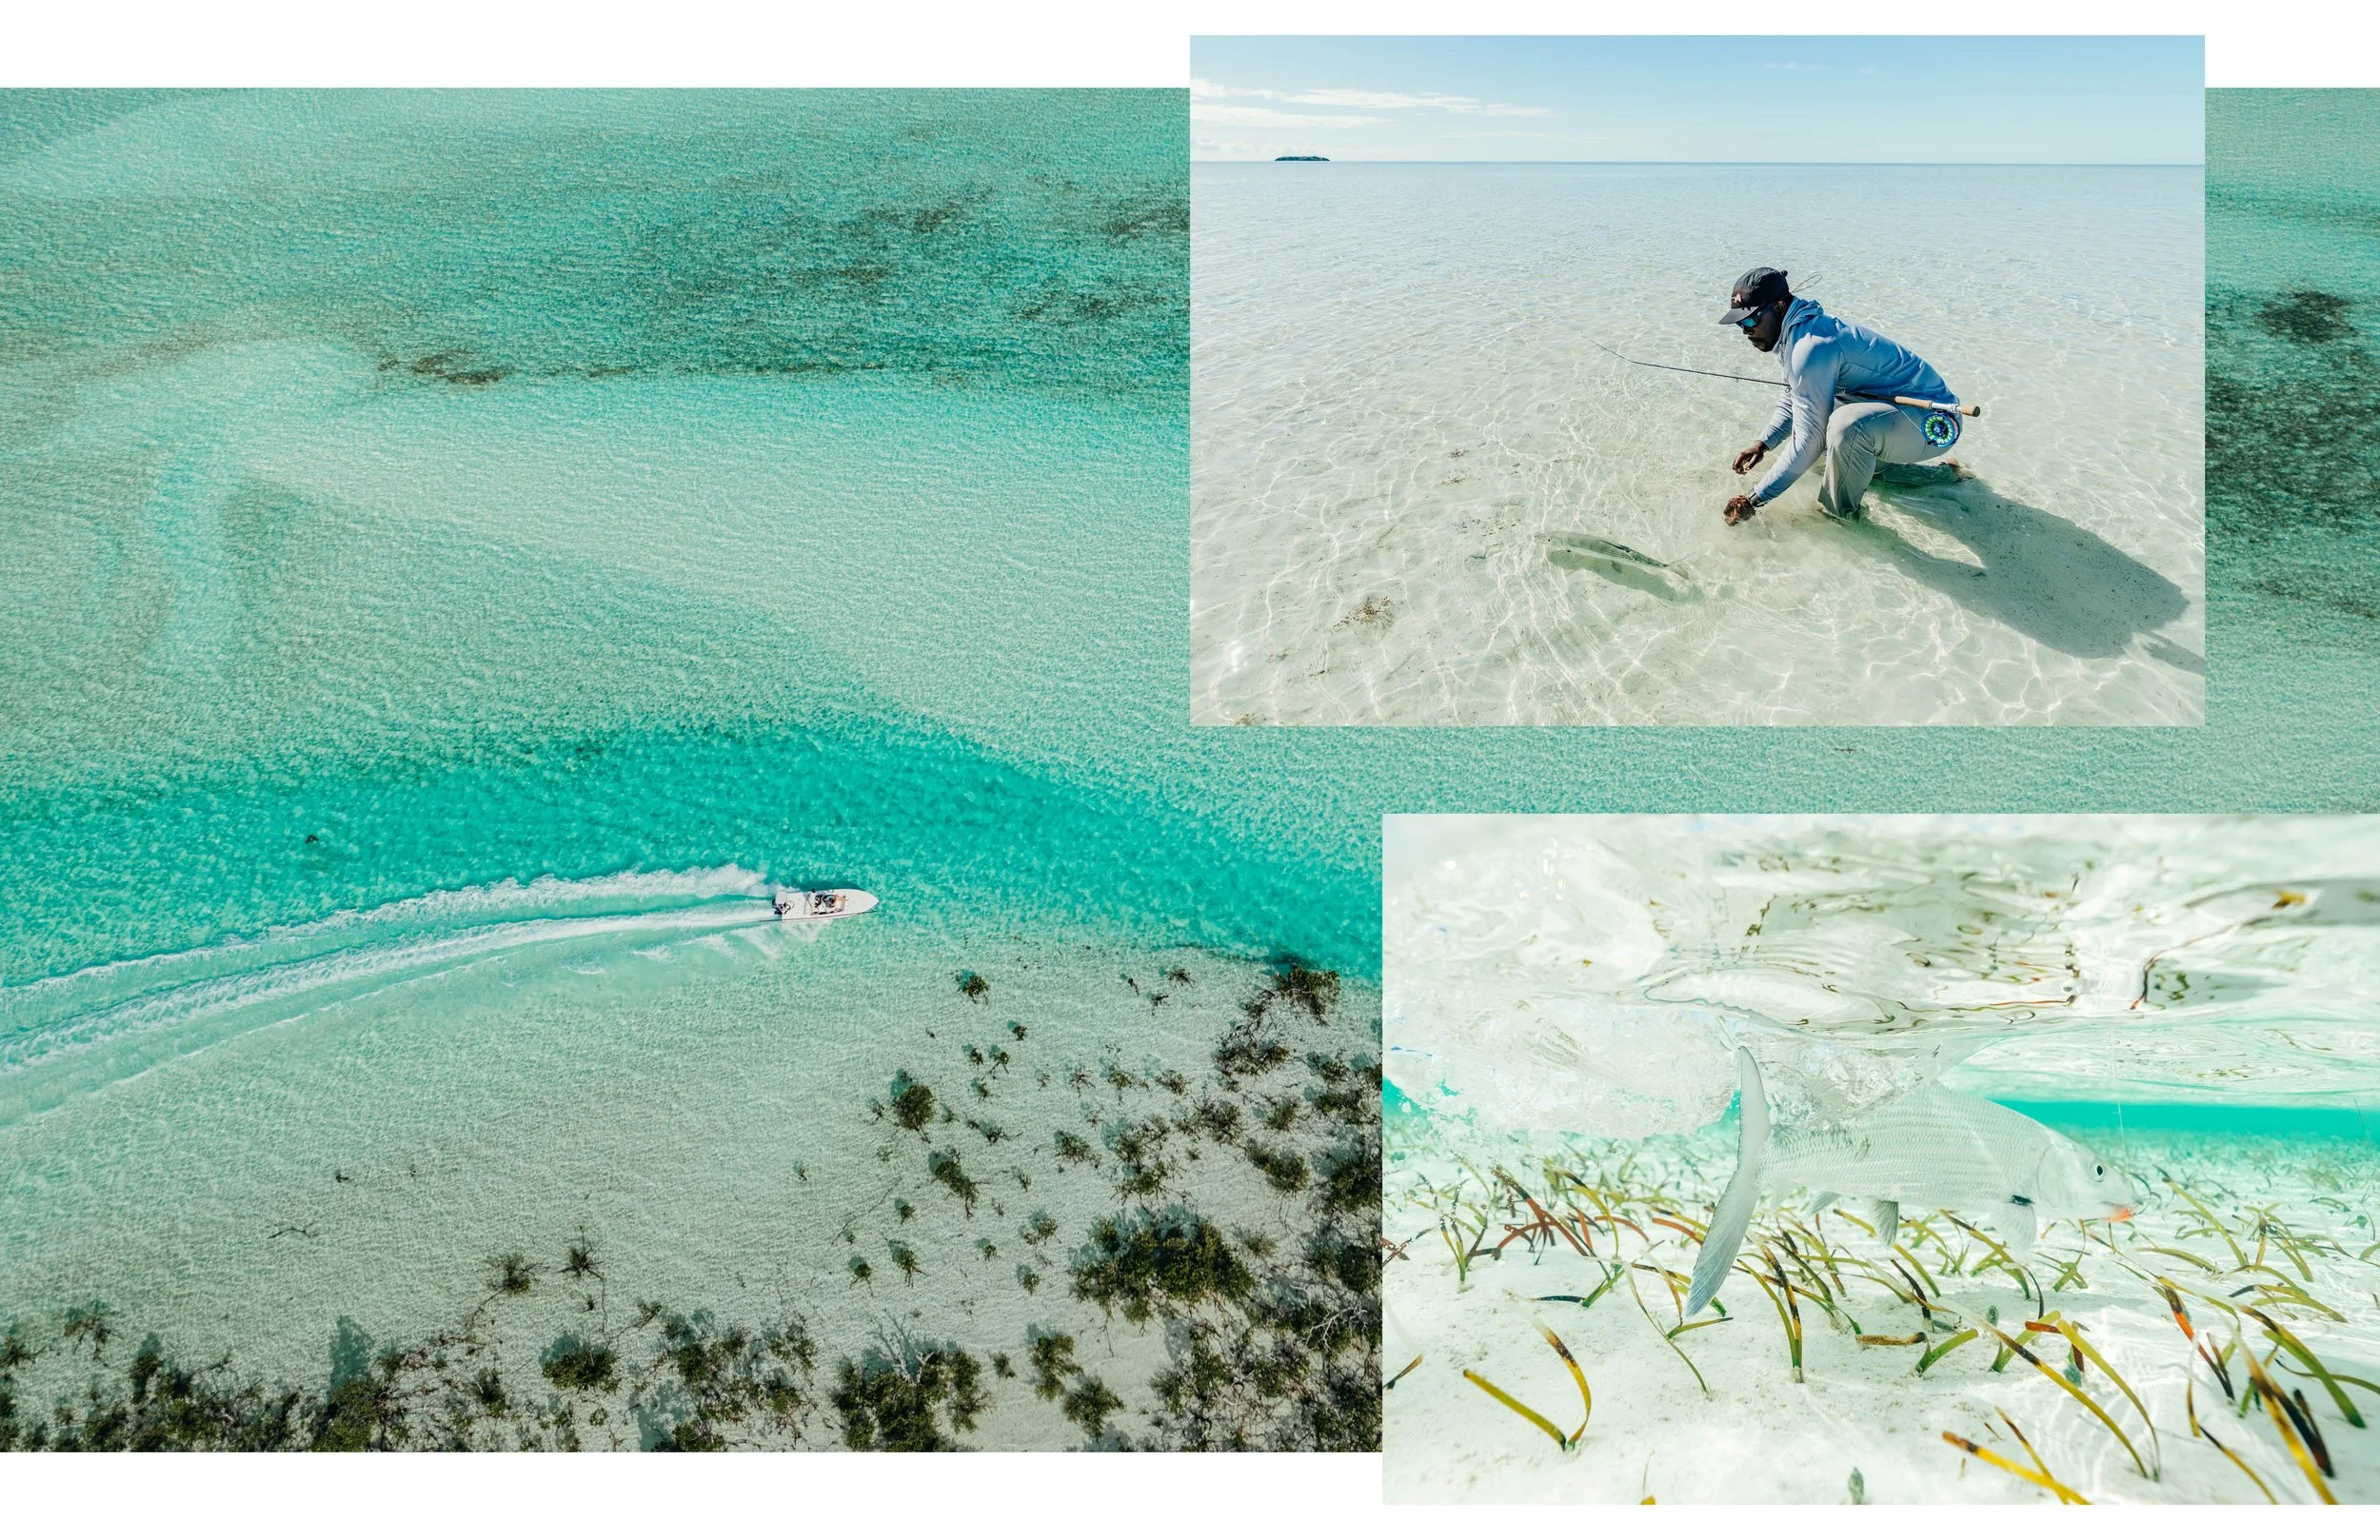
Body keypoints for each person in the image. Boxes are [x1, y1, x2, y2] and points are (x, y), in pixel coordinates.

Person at [1717, 267, 1963, 526]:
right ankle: (1947, 475)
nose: (1745, 330)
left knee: (1846, 428)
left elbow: (1808, 442)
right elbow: (1792, 400)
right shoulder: (1796, 333)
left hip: (1934, 423)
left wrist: (1753, 499)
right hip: (1895, 418)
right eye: (1740, 323)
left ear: (1779, 306)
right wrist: (1763, 443)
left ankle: (1839, 519)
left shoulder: (1809, 347)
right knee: (1826, 445)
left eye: (1751, 319)